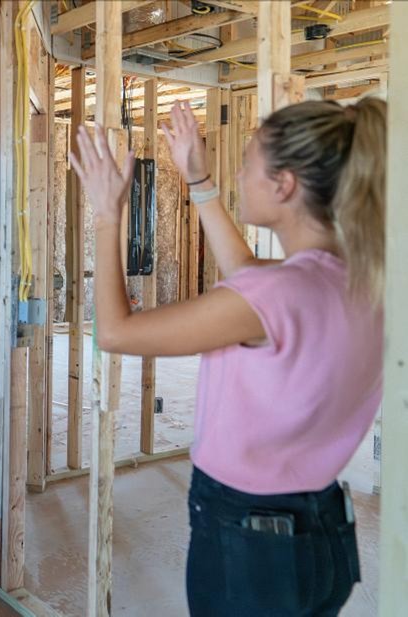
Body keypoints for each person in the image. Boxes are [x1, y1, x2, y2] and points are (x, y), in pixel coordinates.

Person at [69, 98, 384, 616]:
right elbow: (247, 274)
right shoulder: (360, 279)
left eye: (247, 162)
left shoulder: (275, 295)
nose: (237, 173)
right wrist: (199, 181)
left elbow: (116, 332)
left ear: (283, 185)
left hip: (251, 542)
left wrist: (108, 216)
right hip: (323, 530)